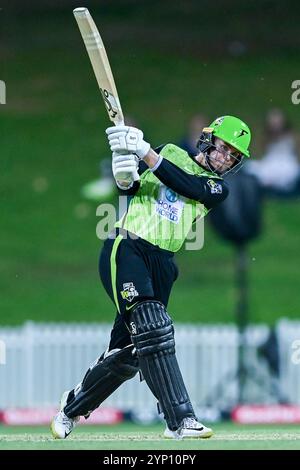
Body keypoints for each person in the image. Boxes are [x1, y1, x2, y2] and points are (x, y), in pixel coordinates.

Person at [51, 115, 251, 440]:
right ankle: (181, 419)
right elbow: (129, 186)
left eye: (233, 156)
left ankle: (72, 407)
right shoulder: (170, 151)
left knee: (130, 353)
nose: (226, 158)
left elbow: (186, 184)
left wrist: (143, 150)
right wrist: (124, 168)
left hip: (162, 264)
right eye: (224, 149)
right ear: (208, 139)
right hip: (128, 246)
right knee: (154, 326)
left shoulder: (217, 188)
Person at [246, 108, 300, 197]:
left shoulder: (292, 136)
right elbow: (258, 154)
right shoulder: (265, 137)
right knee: (251, 166)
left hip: (287, 163)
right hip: (270, 162)